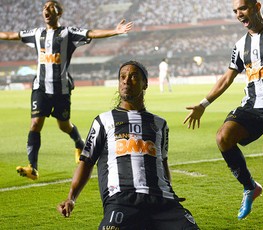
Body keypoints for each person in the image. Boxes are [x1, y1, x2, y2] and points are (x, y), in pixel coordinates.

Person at [183, 0, 263, 229]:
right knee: (223, 137)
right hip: (252, 105)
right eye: (235, 11)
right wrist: (203, 104)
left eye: (243, 9)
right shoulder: (240, 45)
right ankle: (250, 187)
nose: (239, 14)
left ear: (257, 6)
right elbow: (227, 78)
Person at [57, 61, 200, 230]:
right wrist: (71, 197)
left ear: (145, 83)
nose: (126, 81)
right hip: (122, 201)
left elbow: (162, 163)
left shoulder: (160, 124)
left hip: (163, 202)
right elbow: (86, 162)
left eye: (133, 76)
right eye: (122, 77)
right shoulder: (103, 121)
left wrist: (167, 190)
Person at [0, 0, 133, 180]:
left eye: (50, 8)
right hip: (40, 88)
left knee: (64, 126)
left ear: (58, 13)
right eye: (44, 8)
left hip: (61, 90)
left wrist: (115, 31)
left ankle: (79, 144)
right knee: (35, 124)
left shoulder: (68, 33)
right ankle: (32, 167)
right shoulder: (37, 34)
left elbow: (91, 33)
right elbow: (10, 36)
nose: (46, 10)